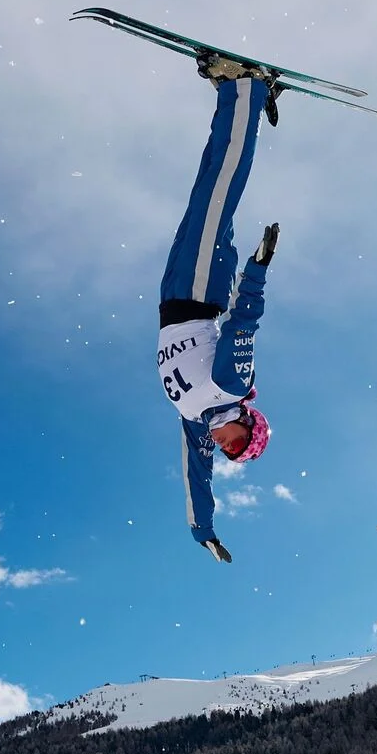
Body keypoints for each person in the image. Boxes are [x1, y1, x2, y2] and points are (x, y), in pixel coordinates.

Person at [155, 54, 282, 561]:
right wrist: (257, 270)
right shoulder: (231, 387)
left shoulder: (195, 419)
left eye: (227, 452)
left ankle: (231, 96)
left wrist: (202, 530)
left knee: (204, 191)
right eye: (235, 445)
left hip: (171, 294)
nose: (223, 448)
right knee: (218, 191)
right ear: (246, 424)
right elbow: (243, 325)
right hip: (201, 290)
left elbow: (195, 474)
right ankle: (248, 92)